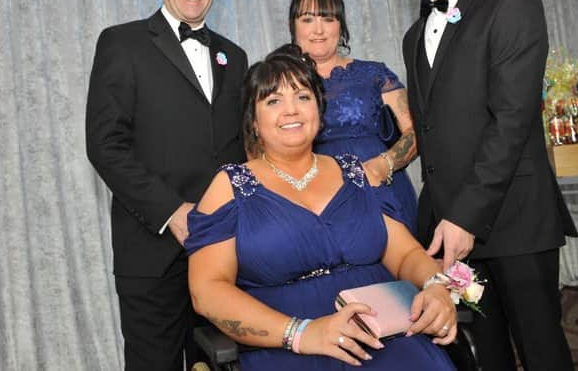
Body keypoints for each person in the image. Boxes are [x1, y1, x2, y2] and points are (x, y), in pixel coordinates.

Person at [185, 44, 457, 371]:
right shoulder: (229, 186)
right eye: (273, 101)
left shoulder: (356, 173)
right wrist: (302, 333)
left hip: (385, 336)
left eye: (302, 97)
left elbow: (406, 255)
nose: (291, 110)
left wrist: (436, 286)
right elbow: (207, 290)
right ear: (254, 121)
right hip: (285, 345)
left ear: (319, 109)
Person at [402, 0, 577, 370]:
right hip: (458, 243)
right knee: (487, 350)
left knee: (541, 351)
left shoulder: (514, 1)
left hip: (515, 224)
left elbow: (511, 122)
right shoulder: (413, 36)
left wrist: (465, 216)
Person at [86, 0, 248, 369]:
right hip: (151, 249)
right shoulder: (122, 43)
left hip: (221, 250)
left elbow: (239, 152)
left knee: (221, 362)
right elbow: (105, 145)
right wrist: (173, 212)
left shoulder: (236, 57)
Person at [287, 0, 419, 232]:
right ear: (293, 26)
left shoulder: (375, 74)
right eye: (307, 19)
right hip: (318, 201)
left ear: (341, 25)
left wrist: (385, 164)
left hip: (383, 191)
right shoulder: (281, 84)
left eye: (328, 19)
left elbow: (414, 132)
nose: (318, 30)